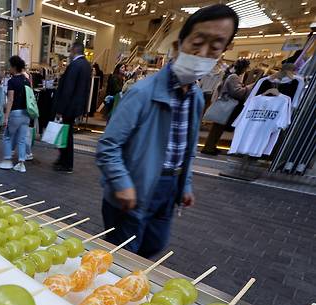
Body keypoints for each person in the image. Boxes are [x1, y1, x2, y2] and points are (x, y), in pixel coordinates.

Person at [96, 4, 240, 258]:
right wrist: (122, 183)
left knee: (153, 247)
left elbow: (188, 149)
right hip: (133, 190)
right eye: (197, 43)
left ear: (223, 52)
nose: (203, 53)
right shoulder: (141, 92)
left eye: (215, 48)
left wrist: (185, 185)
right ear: (179, 44)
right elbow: (108, 145)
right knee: (123, 258)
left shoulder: (195, 97)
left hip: (167, 189)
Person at [52, 42, 92, 173]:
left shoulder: (75, 65)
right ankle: (63, 159)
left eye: (70, 51)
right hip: (76, 106)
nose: (69, 53)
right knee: (67, 134)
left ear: (74, 50)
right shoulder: (86, 65)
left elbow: (68, 89)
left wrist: (60, 109)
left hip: (68, 107)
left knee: (66, 135)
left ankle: (66, 163)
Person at [201, 58, 252, 155]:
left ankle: (211, 147)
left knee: (217, 128)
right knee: (217, 128)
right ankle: (209, 148)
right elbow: (237, 93)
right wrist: (249, 87)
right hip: (226, 105)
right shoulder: (234, 77)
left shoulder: (230, 76)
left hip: (224, 104)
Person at [0, 55, 31, 173]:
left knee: (7, 137)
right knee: (21, 139)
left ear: (14, 67)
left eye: (10, 66)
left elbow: (10, 100)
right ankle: (21, 164)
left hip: (15, 113)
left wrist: (6, 117)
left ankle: (7, 160)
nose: (9, 69)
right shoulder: (27, 80)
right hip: (26, 114)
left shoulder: (12, 81)